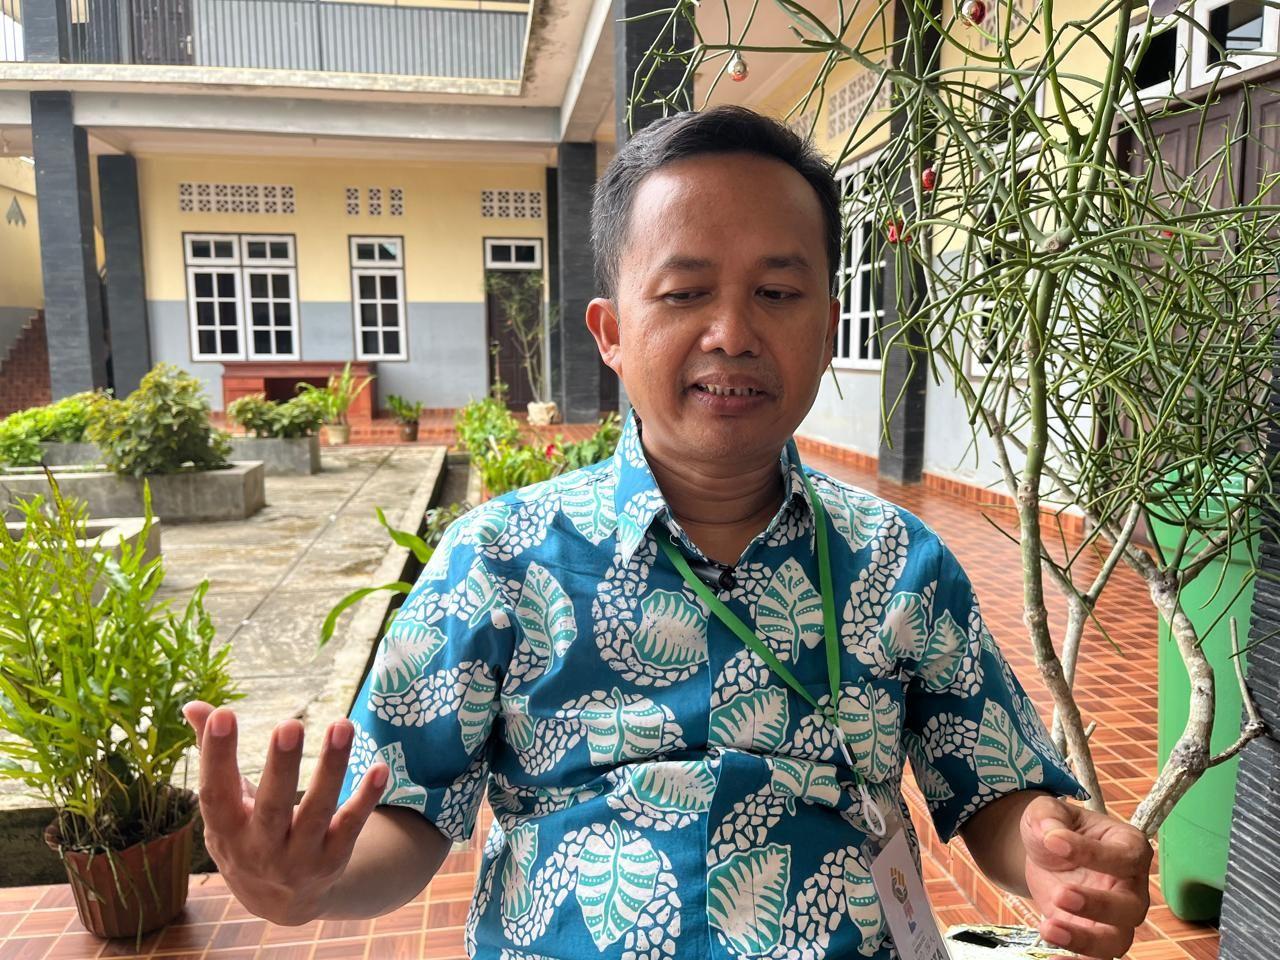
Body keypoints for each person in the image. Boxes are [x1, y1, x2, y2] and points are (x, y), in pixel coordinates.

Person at [182, 104, 1153, 960]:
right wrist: (308, 883)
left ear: (828, 328)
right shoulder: (499, 562)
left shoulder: (901, 565)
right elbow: (402, 815)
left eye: (777, 293)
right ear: (609, 332)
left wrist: (1044, 852)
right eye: (685, 292)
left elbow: (991, 789)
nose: (731, 332)